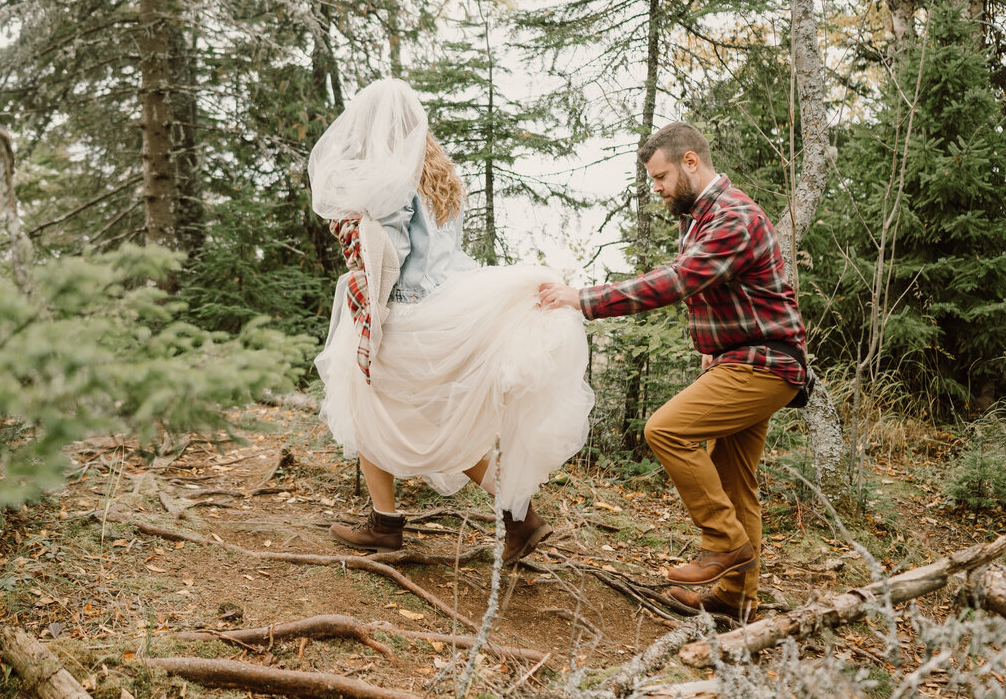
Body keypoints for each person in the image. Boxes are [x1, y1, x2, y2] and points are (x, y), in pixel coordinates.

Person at [310, 78, 594, 564]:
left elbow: (392, 255)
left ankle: (385, 525)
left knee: (365, 401)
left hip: (408, 312)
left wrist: (358, 249)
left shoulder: (388, 177)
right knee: (442, 421)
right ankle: (520, 518)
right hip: (449, 303)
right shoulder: (438, 169)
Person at [538, 121, 807, 622]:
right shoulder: (699, 216)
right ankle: (735, 599)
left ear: (690, 162)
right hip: (742, 357)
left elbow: (680, 281)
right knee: (734, 481)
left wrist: (584, 298)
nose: (656, 188)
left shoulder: (733, 215)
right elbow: (720, 289)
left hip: (766, 362)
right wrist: (714, 345)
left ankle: (725, 543)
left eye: (660, 177)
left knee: (665, 430)